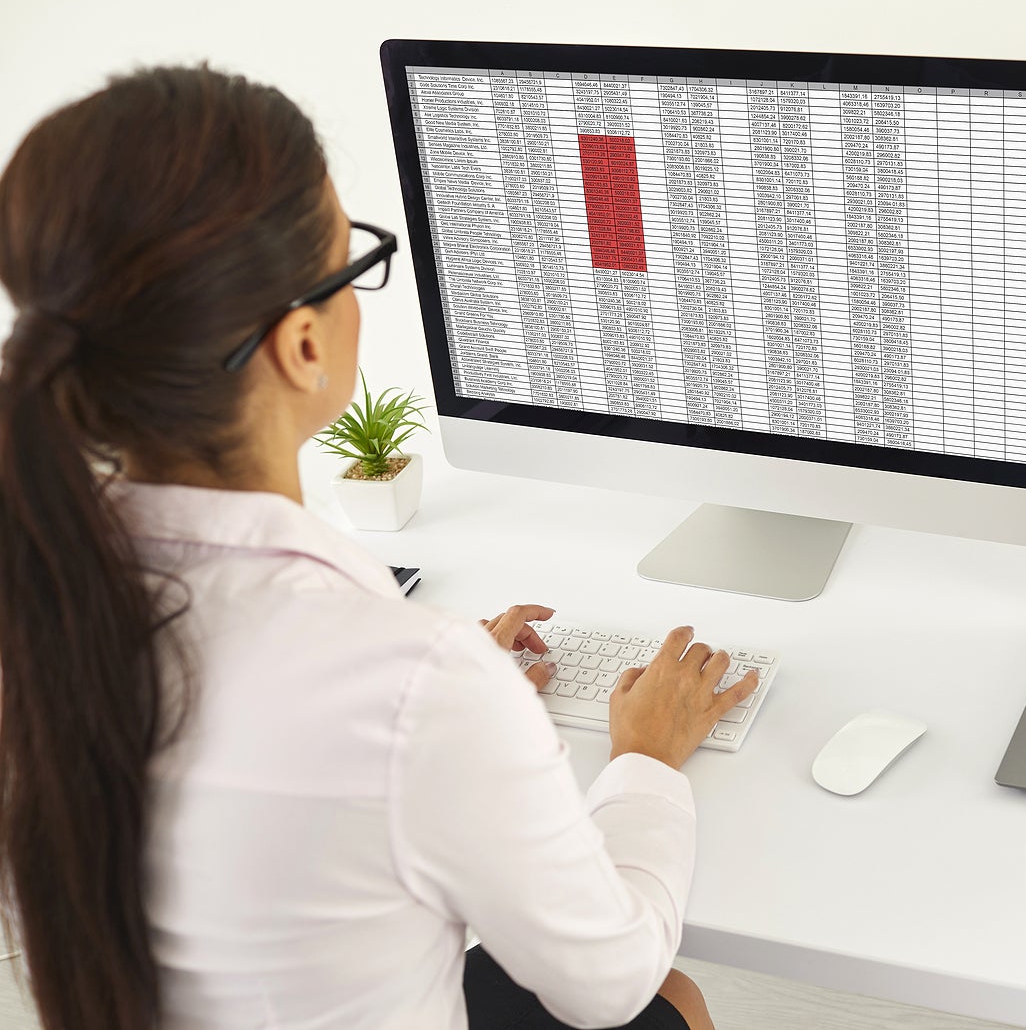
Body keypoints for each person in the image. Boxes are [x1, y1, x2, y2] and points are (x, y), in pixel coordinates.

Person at [0, 64, 757, 1030]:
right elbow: (606, 985)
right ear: (304, 345)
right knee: (669, 997)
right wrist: (645, 760)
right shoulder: (413, 686)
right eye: (353, 256)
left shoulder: (33, 603)